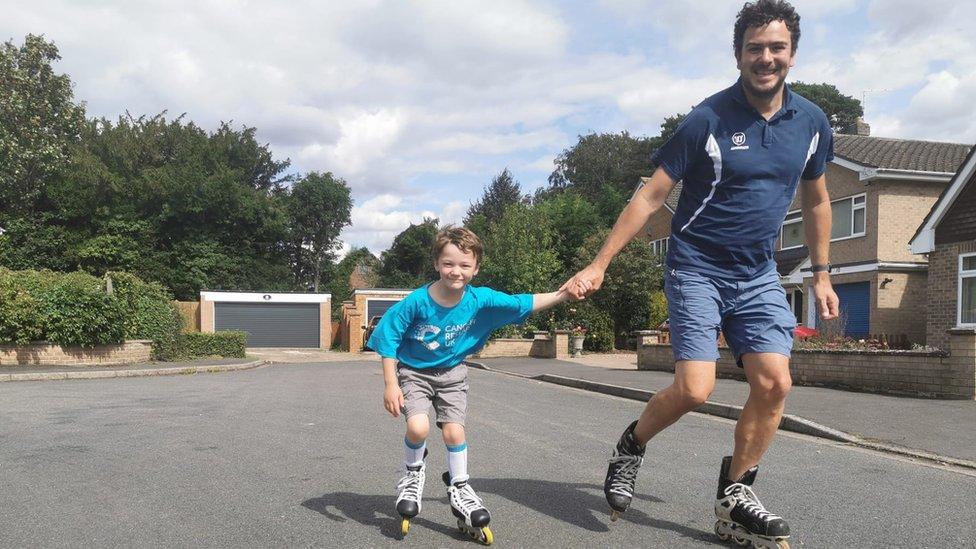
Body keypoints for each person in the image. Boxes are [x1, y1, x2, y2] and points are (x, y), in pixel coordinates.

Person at [561, 1, 840, 547]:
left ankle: (735, 494)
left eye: (776, 48)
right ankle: (632, 444)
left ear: (792, 53)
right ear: (738, 54)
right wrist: (600, 262)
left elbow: (818, 200)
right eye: (755, 48)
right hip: (696, 267)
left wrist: (824, 274)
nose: (766, 58)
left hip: (758, 271)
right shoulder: (706, 120)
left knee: (775, 381)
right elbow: (652, 196)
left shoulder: (811, 123)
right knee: (694, 388)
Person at [367, 226, 572, 544]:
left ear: (476, 268)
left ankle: (460, 487)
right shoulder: (417, 302)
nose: (456, 271)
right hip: (414, 373)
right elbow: (389, 339)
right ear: (437, 263)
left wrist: (564, 294)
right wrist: (391, 384)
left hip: (452, 374)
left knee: (454, 432)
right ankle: (412, 474)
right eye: (449, 263)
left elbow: (522, 303)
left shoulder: (480, 300)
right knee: (418, 427)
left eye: (465, 265)